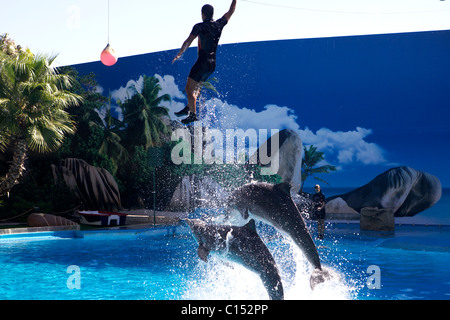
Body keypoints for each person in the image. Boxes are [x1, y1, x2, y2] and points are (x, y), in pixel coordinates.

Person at [172, 1, 237, 124]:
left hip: (202, 63)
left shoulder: (199, 26)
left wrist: (180, 53)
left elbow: (188, 41)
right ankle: (190, 107)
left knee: (188, 89)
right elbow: (231, 11)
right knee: (195, 88)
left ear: (203, 14)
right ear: (212, 14)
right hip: (212, 65)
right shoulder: (219, 24)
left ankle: (192, 114)